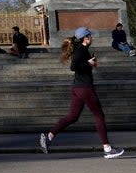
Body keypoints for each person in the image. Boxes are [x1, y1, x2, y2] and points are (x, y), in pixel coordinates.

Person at [40, 27, 125, 159]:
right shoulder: (80, 50)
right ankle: (107, 149)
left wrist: (91, 63)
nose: (92, 38)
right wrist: (88, 63)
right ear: (86, 38)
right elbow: (73, 67)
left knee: (73, 117)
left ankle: (49, 137)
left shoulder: (82, 49)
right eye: (90, 36)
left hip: (77, 88)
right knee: (99, 116)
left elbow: (81, 65)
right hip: (85, 88)